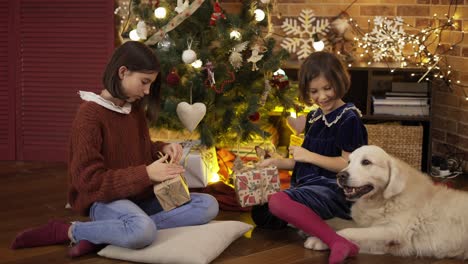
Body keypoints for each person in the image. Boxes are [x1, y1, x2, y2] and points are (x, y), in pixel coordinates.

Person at [10, 41, 219, 257]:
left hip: (140, 198)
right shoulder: (89, 116)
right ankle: (69, 230)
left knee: (208, 205)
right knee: (142, 231)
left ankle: (101, 236)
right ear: (123, 72)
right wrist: (146, 174)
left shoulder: (133, 111)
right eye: (144, 82)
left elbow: (141, 150)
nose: (147, 91)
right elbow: (88, 181)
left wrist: (164, 148)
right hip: (104, 201)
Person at [252, 52, 368, 264]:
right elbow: (302, 160)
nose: (322, 97)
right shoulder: (316, 116)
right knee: (261, 212)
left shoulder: (349, 119)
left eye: (327, 88)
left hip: (334, 189)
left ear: (339, 83)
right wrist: (276, 162)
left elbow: (348, 167)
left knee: (278, 201)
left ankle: (336, 241)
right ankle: (308, 217)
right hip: (308, 185)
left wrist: (310, 155)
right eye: (314, 91)